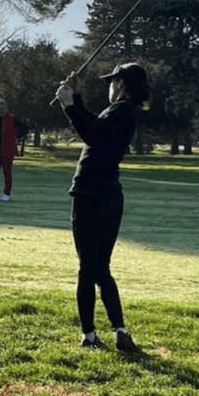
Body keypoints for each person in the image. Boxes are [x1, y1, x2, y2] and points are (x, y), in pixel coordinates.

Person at [55, 63, 148, 353]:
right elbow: (97, 126)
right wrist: (77, 100)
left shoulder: (122, 110)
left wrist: (69, 106)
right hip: (110, 195)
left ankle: (90, 336)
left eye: (112, 81)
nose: (109, 85)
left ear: (121, 84)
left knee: (88, 268)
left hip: (89, 194)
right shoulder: (125, 111)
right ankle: (120, 331)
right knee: (101, 269)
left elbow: (92, 135)